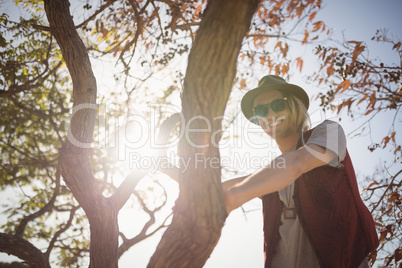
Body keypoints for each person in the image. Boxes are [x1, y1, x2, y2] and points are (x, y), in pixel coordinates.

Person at [223, 75, 379, 268]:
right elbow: (216, 188)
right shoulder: (269, 176)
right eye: (261, 109)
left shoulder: (329, 132)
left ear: (294, 106)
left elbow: (296, 163)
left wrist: (235, 196)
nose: (270, 113)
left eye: (278, 104)